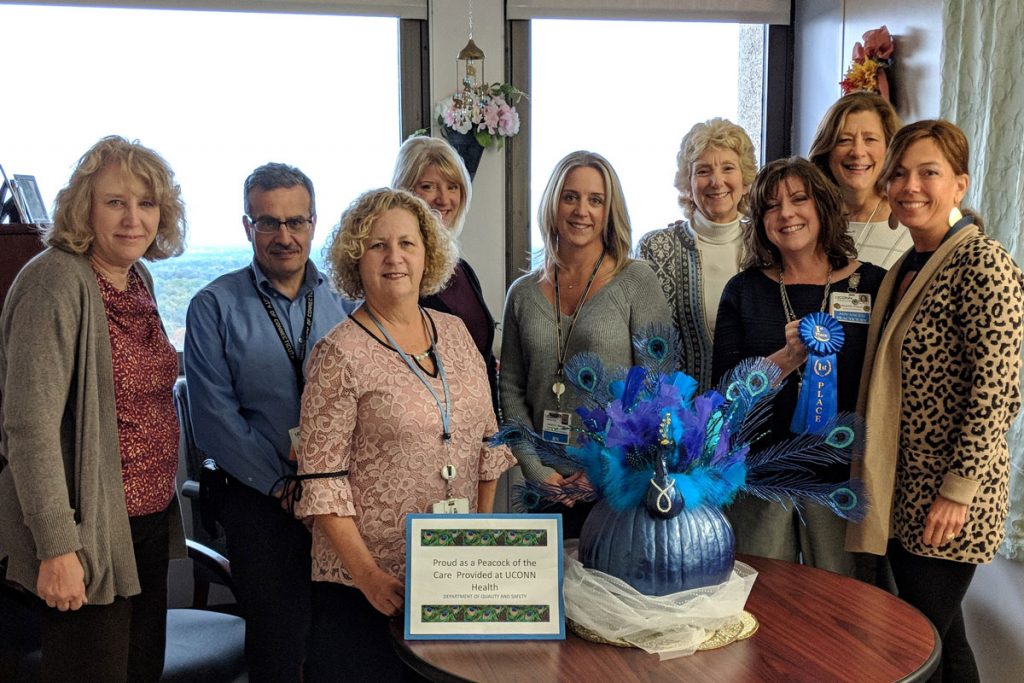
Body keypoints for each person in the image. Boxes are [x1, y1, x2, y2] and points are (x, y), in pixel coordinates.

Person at [294, 188, 514, 682]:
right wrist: (369, 577)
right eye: (377, 245)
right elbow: (321, 482)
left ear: (428, 254)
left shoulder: (456, 333)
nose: (395, 257)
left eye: (408, 244)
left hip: (451, 578)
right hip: (367, 587)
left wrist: (474, 546)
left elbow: (487, 447)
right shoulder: (338, 354)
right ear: (357, 259)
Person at [0, 135, 187, 681]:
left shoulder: (138, 280)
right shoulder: (55, 280)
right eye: (116, 202)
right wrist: (58, 548)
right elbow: (28, 429)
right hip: (88, 535)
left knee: (139, 671)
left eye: (147, 203)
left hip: (144, 523)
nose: (134, 218)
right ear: (85, 207)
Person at [847, 120, 1023, 682]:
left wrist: (958, 491)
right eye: (898, 173)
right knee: (943, 642)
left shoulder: (982, 262)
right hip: (906, 490)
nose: (910, 186)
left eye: (929, 173)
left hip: (948, 502)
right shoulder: (909, 264)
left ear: (960, 185)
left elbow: (997, 390)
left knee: (911, 648)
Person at [183, 163, 353, 682]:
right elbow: (214, 422)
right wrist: (284, 487)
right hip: (259, 499)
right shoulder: (213, 306)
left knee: (338, 640)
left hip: (339, 503)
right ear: (247, 226)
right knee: (278, 646)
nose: (284, 236)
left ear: (313, 222)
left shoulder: (342, 304)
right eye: (268, 223)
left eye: (296, 222)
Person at [712, 157, 885, 576]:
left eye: (798, 199)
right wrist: (787, 359)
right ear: (761, 222)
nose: (786, 213)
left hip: (846, 480)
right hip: (761, 477)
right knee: (763, 605)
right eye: (771, 206)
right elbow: (723, 397)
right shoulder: (744, 290)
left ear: (823, 206)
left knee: (845, 610)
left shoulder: (875, 284)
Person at [499, 151, 672, 538]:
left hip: (619, 485)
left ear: (609, 210)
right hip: (544, 488)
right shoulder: (522, 294)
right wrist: (535, 468)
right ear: (553, 202)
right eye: (570, 196)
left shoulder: (636, 281)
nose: (582, 211)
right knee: (548, 595)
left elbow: (657, 389)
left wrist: (606, 470)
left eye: (596, 200)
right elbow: (510, 391)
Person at [637, 118, 757, 388]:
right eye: (703, 171)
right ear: (687, 184)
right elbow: (643, 344)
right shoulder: (655, 248)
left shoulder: (768, 245)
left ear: (746, 180)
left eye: (728, 168)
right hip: (676, 420)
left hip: (754, 417)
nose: (717, 181)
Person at [391, 136, 499, 415]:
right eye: (428, 186)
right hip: (430, 428)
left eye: (452, 187)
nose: (443, 198)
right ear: (404, 191)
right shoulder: (397, 273)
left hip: (479, 424)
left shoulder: (462, 270)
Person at [809, 91, 913, 268]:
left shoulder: (912, 222)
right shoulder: (808, 219)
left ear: (890, 149)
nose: (857, 152)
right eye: (844, 140)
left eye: (870, 139)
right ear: (827, 151)